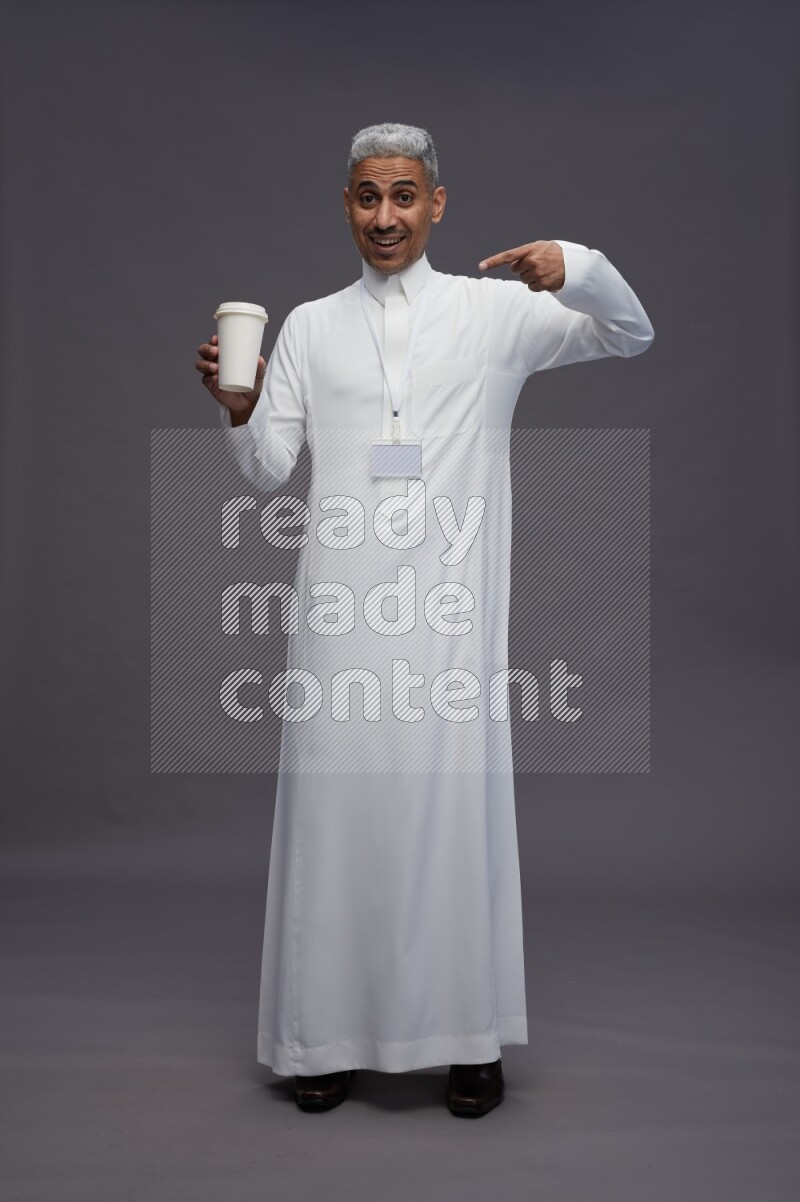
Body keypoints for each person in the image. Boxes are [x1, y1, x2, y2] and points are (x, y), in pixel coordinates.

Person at [195, 122, 654, 1117]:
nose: (385, 216)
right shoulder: (311, 327)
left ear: (436, 204)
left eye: (403, 195)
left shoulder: (495, 315)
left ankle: (466, 1042)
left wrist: (573, 265)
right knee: (335, 820)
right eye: (367, 197)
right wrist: (239, 407)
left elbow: (630, 332)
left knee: (450, 822)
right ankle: (321, 1039)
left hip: (450, 619)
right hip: (338, 618)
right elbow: (267, 469)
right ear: (346, 207)